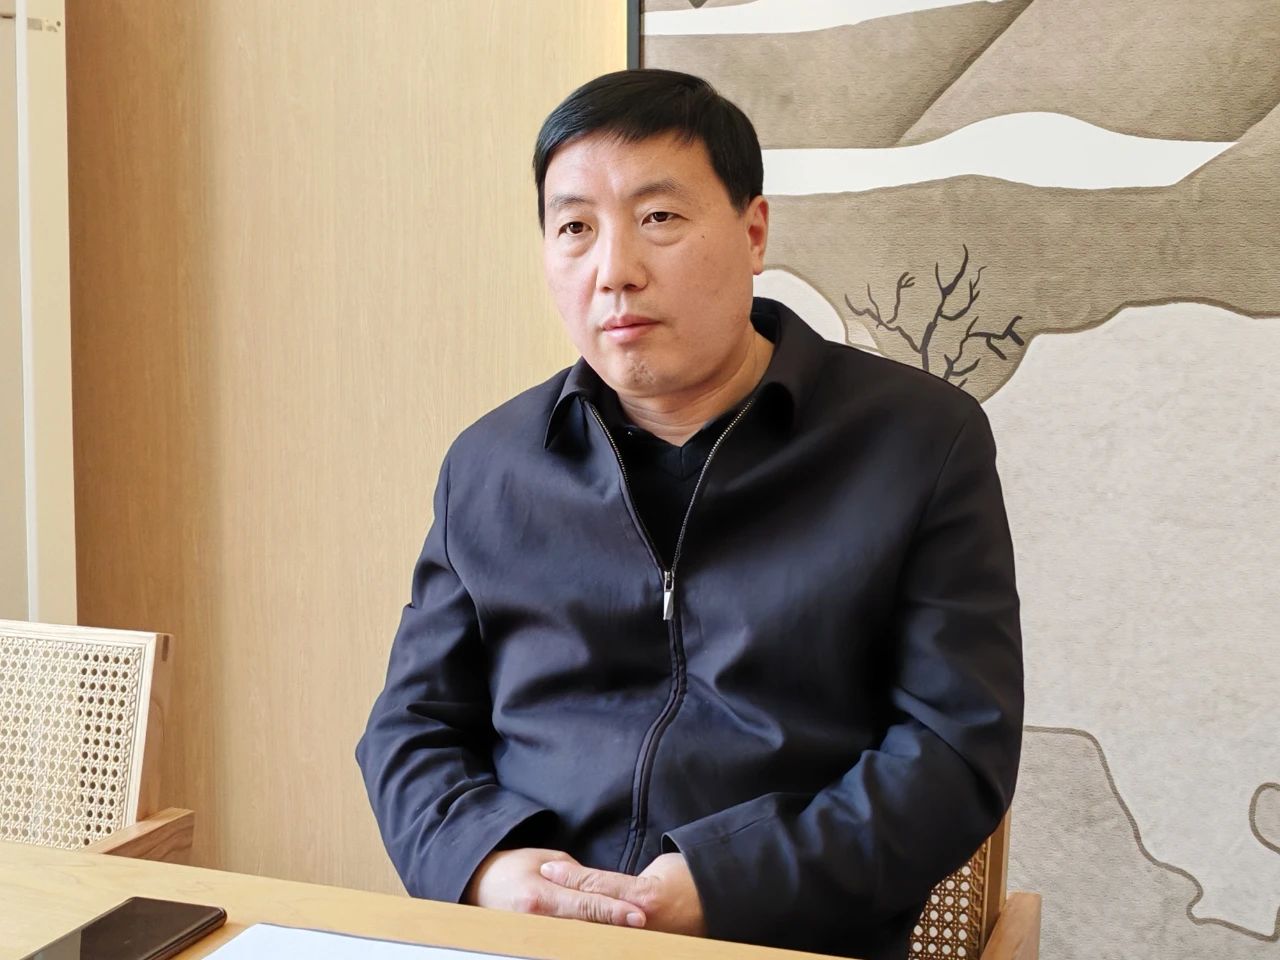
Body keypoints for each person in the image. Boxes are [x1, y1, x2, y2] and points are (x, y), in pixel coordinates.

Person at [356, 68, 1023, 960]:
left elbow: (953, 749)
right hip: (528, 939)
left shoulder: (918, 442)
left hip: (784, 937)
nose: (615, 272)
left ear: (753, 232)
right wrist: (489, 867)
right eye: (575, 228)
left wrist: (728, 886)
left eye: (660, 217)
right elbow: (410, 727)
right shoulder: (489, 466)